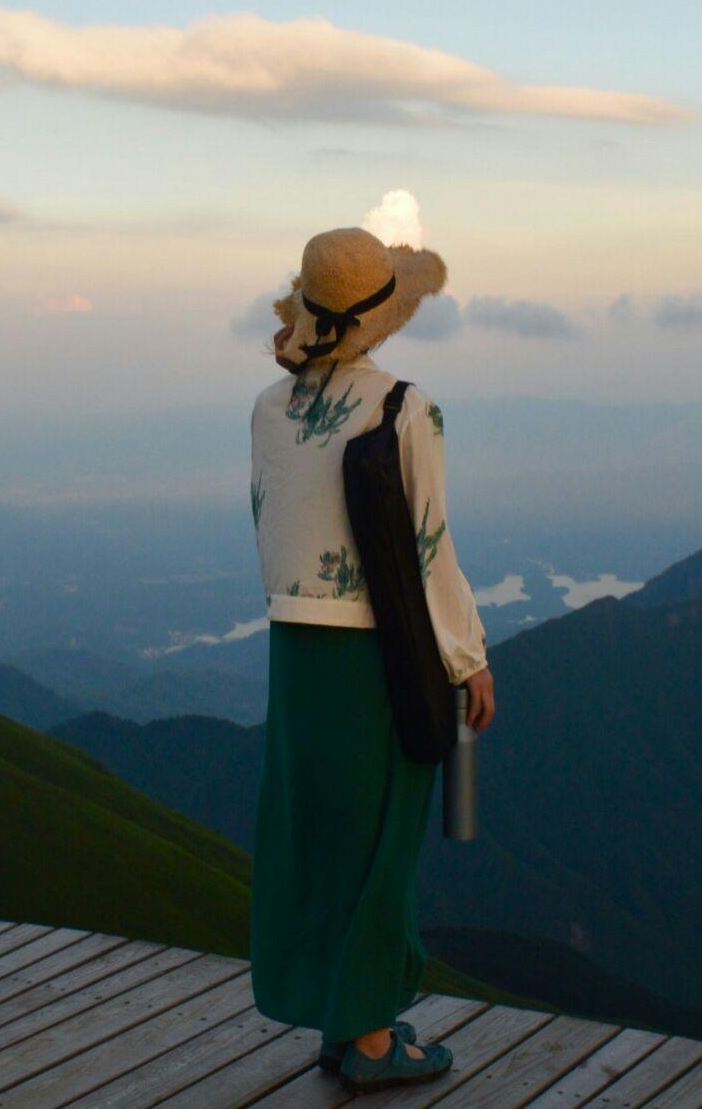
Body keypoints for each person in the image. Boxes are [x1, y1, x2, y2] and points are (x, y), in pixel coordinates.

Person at [247, 225, 497, 1092]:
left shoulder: (268, 411)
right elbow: (430, 550)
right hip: (377, 652)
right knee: (386, 837)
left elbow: (268, 527)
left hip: (294, 651)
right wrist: (467, 658)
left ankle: (345, 1017)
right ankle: (374, 1045)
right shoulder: (406, 408)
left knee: (320, 836)